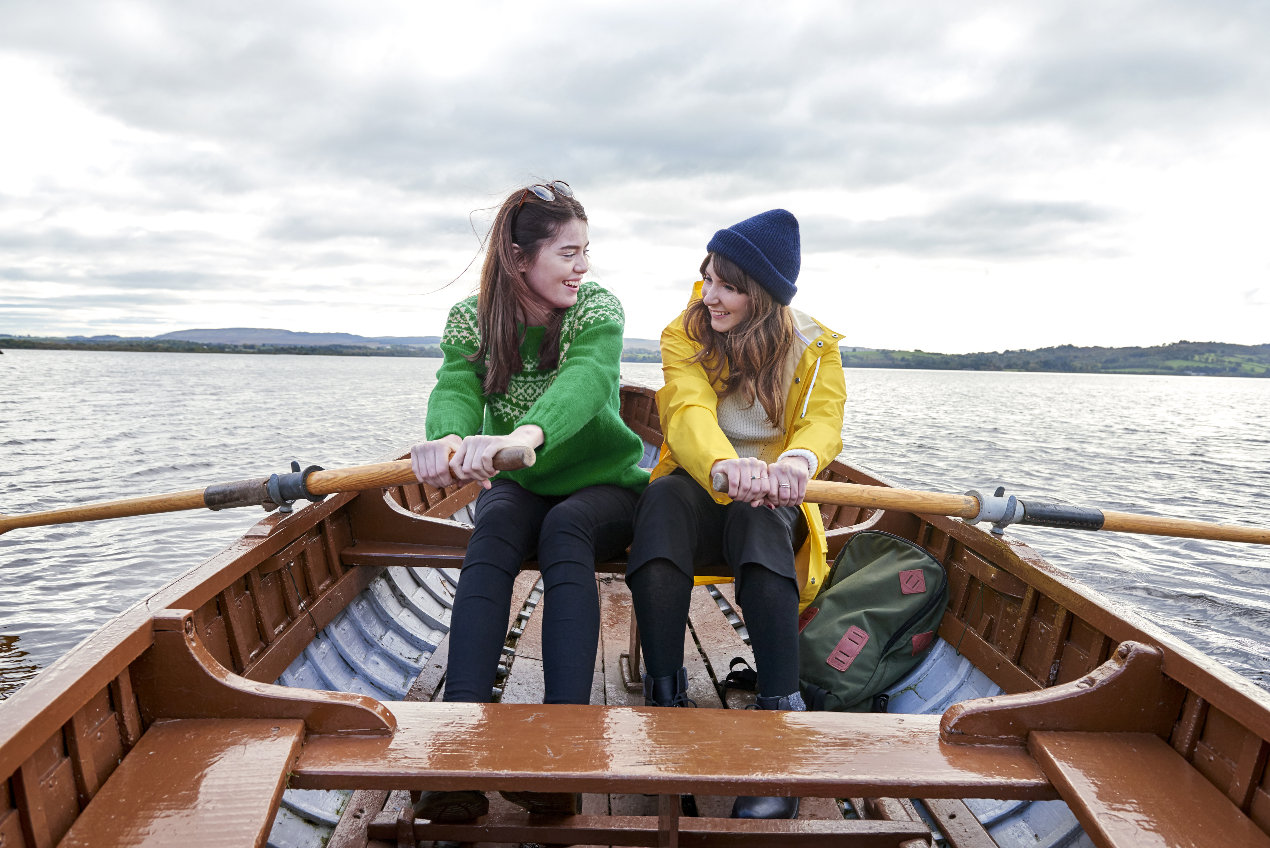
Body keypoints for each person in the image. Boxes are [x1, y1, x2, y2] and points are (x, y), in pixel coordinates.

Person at [410, 181, 648, 821]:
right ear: (520, 259)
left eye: (585, 251)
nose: (583, 266)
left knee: (566, 528)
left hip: (604, 485)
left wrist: (526, 433)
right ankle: (459, 743)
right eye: (569, 253)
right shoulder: (473, 317)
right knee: (492, 530)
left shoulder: (596, 308)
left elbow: (588, 377)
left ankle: (563, 753)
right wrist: (449, 439)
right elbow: (456, 386)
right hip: (520, 484)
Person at [625, 208, 846, 820]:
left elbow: (824, 421)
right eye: (708, 278)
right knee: (662, 498)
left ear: (764, 295)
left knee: (755, 520)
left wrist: (798, 461)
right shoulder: (686, 333)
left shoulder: (815, 346)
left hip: (772, 499)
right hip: (702, 482)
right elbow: (686, 410)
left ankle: (780, 721)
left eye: (728, 284)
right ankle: (664, 700)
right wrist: (724, 465)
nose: (710, 295)